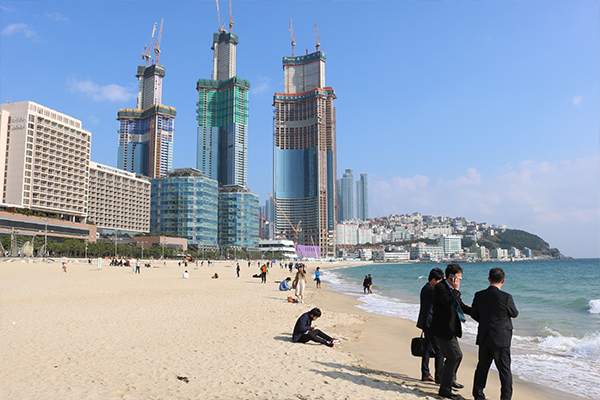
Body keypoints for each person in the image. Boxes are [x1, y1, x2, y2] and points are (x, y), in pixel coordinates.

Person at [471, 267, 519, 400]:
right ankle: (505, 398)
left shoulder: (479, 295)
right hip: (501, 338)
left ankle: (478, 395)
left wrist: (485, 320)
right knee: (504, 370)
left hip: (485, 336)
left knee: (482, 367)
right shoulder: (506, 297)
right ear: (503, 281)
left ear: (489, 279)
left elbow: (474, 314)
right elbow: (514, 314)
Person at [431, 264, 472, 399]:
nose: (460, 279)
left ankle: (450, 379)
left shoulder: (451, 290)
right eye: (459, 277)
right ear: (451, 276)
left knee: (458, 355)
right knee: (452, 357)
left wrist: (479, 313)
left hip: (451, 329)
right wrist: (456, 289)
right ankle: (444, 389)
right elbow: (448, 303)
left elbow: (461, 306)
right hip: (442, 329)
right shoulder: (440, 287)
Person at [416, 267, 445, 384]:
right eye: (439, 282)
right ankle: (439, 377)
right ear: (433, 280)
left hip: (426, 322)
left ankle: (425, 374)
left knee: (427, 350)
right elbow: (442, 294)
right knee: (439, 351)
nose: (440, 284)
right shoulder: (429, 289)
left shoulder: (427, 288)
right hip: (429, 323)